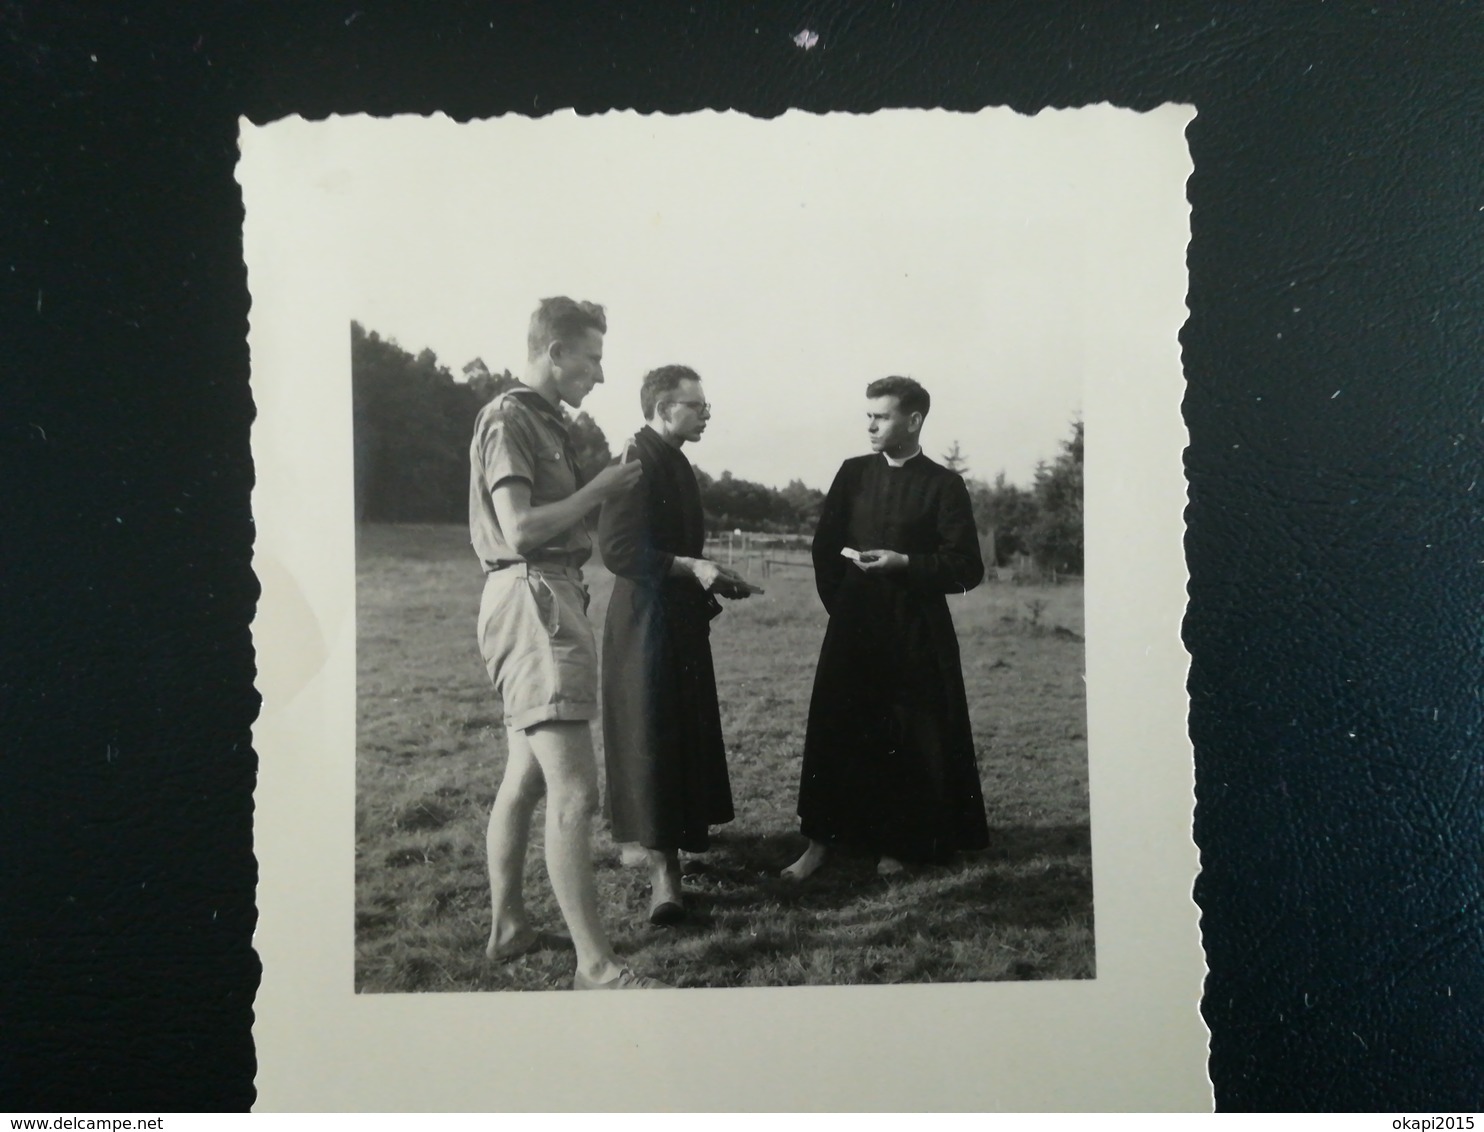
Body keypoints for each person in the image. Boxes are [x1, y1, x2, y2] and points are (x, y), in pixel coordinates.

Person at [470, 296, 667, 989]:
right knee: (576, 791)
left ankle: (510, 928)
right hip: (534, 597)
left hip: (545, 595)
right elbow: (520, 529)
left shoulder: (540, 421)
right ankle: (596, 967)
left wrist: (594, 491)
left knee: (525, 778)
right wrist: (600, 489)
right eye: (592, 359)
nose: (601, 376)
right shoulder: (509, 418)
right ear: (554, 353)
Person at [784, 375, 990, 880]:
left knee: (908, 735)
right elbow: (824, 548)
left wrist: (904, 563)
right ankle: (820, 843)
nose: (871, 425)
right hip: (853, 629)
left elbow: (966, 567)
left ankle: (898, 842)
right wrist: (846, 606)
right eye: (869, 416)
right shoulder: (852, 474)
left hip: (916, 631)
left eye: (882, 416)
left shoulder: (944, 485)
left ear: (914, 420)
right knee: (837, 730)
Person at [599, 365, 757, 924]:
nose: (707, 413)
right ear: (666, 409)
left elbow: (678, 548)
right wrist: (691, 566)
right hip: (644, 625)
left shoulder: (678, 463)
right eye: (697, 405)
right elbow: (617, 551)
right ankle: (663, 876)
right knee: (654, 736)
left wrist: (713, 575)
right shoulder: (634, 464)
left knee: (681, 733)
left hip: (678, 619)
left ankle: (678, 841)